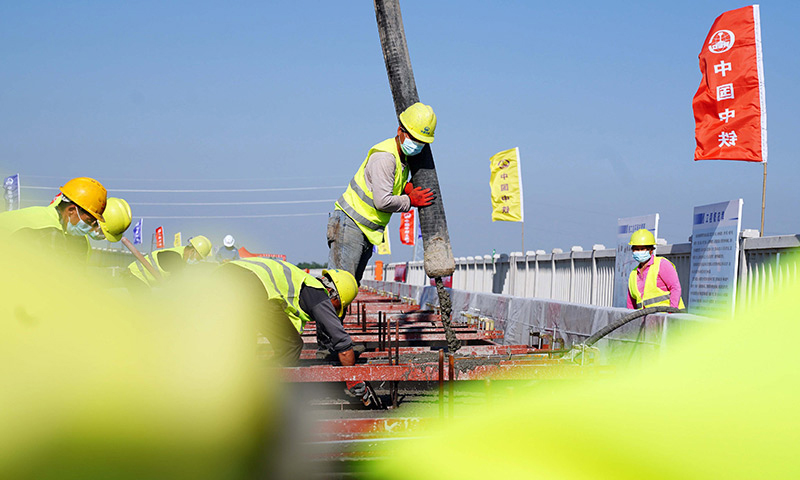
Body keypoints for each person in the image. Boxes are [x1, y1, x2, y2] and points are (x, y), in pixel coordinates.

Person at [218, 258, 379, 407]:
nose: (333, 311)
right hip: (250, 284)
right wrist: (353, 379)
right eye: (336, 307)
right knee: (290, 346)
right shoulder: (318, 294)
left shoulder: (301, 284)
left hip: (225, 276)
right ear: (333, 294)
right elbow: (343, 343)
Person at [328, 102, 437, 283]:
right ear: (400, 131)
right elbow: (383, 201)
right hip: (351, 224)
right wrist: (410, 200)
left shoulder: (403, 157)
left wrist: (405, 188)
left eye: (421, 142)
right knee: (339, 287)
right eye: (413, 138)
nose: (417, 145)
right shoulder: (385, 158)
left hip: (363, 229)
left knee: (349, 287)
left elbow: (389, 185)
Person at [0, 177, 107, 261]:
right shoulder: (50, 231)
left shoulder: (38, 214)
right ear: (71, 210)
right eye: (88, 221)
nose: (89, 228)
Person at [627, 229, 685, 309]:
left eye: (642, 249)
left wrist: (672, 313)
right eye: (636, 249)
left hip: (667, 317)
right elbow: (631, 303)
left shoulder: (662, 264)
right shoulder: (633, 274)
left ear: (651, 250)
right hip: (647, 320)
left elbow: (675, 288)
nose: (639, 252)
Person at [126, 235, 213, 288]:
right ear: (192, 251)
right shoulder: (175, 258)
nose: (197, 261)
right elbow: (176, 286)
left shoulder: (180, 255)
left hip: (137, 278)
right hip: (134, 276)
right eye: (198, 258)